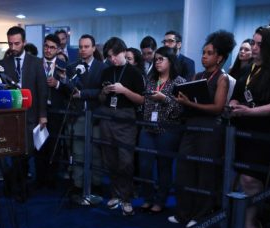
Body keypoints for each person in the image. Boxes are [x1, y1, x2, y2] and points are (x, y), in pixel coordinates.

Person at [169, 30, 235, 227]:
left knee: (205, 173)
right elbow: (189, 100)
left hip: (210, 129)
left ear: (220, 57)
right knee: (184, 169)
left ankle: (201, 215)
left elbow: (217, 108)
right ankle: (183, 213)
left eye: (209, 53)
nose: (204, 56)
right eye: (203, 52)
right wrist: (181, 100)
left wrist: (190, 104)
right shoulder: (198, 75)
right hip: (192, 126)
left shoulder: (222, 78)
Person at [229, 26, 270, 228]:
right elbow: (237, 96)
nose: (254, 47)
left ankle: (252, 222)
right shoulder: (247, 70)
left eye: (259, 44)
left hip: (263, 134)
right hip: (242, 130)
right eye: (253, 42)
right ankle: (244, 220)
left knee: (252, 179)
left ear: (269, 47)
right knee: (241, 178)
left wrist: (250, 111)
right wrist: (234, 104)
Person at [0, 26, 48, 200]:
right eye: (10, 43)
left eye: (16, 43)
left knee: (26, 154)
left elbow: (42, 90)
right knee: (12, 154)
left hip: (31, 115)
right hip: (10, 118)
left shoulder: (35, 62)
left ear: (24, 42)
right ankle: (14, 187)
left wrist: (43, 115)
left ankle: (20, 188)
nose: (13, 47)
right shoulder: (3, 64)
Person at [100, 37, 145, 215]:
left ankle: (127, 198)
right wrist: (104, 92)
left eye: (115, 55)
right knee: (109, 159)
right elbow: (101, 99)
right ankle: (115, 194)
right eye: (109, 57)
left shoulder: (134, 73)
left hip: (126, 118)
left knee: (125, 161)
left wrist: (123, 90)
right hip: (107, 116)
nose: (112, 59)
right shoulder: (106, 72)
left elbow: (141, 100)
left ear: (123, 52)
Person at [138, 46, 185, 214]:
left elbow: (181, 109)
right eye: (156, 59)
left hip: (168, 129)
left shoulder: (179, 81)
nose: (157, 62)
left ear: (170, 61)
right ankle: (148, 198)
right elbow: (145, 103)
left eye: (161, 59)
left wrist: (165, 99)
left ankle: (160, 200)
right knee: (144, 165)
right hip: (148, 128)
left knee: (164, 167)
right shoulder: (150, 80)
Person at [64, 34, 107, 191]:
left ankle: (95, 184)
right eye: (80, 47)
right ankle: (78, 184)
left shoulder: (103, 67)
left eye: (86, 46)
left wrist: (83, 93)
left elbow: (103, 92)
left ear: (93, 48)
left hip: (96, 115)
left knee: (96, 153)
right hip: (78, 115)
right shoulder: (72, 67)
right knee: (78, 152)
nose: (83, 50)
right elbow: (69, 90)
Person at [35, 34, 70, 189]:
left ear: (58, 49)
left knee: (54, 146)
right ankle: (39, 179)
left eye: (52, 47)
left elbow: (71, 89)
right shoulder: (35, 64)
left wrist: (57, 84)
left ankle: (52, 180)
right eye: (46, 46)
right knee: (38, 146)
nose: (48, 50)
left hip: (56, 111)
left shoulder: (64, 65)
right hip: (37, 111)